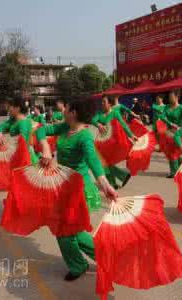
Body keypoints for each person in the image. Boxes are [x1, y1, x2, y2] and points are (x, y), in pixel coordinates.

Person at [37, 99, 117, 281]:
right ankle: (97, 259)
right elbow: (41, 130)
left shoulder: (85, 136)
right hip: (64, 187)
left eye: (66, 107)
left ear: (73, 112)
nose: (63, 109)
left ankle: (91, 262)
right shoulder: (65, 127)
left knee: (66, 232)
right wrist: (46, 148)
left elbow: (93, 161)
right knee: (68, 231)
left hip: (80, 191)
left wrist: (105, 185)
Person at [92, 95, 138, 189]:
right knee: (105, 162)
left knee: (105, 162)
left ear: (110, 104)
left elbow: (123, 125)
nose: (102, 104)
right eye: (102, 102)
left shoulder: (115, 113)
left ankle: (114, 181)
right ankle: (120, 178)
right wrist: (98, 124)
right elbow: (93, 120)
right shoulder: (99, 113)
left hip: (112, 142)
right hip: (102, 141)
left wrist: (131, 135)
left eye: (104, 102)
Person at [160, 89, 182, 178]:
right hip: (169, 132)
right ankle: (178, 170)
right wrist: (170, 123)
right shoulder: (167, 107)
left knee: (174, 152)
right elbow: (162, 116)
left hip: (179, 133)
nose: (170, 99)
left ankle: (175, 172)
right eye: (169, 97)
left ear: (177, 97)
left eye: (171, 97)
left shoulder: (181, 108)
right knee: (173, 152)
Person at [0, 97, 38, 164]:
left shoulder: (24, 122)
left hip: (24, 158)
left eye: (10, 107)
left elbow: (24, 143)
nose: (8, 110)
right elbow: (0, 126)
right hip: (16, 156)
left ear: (17, 108)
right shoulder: (12, 121)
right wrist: (0, 133)